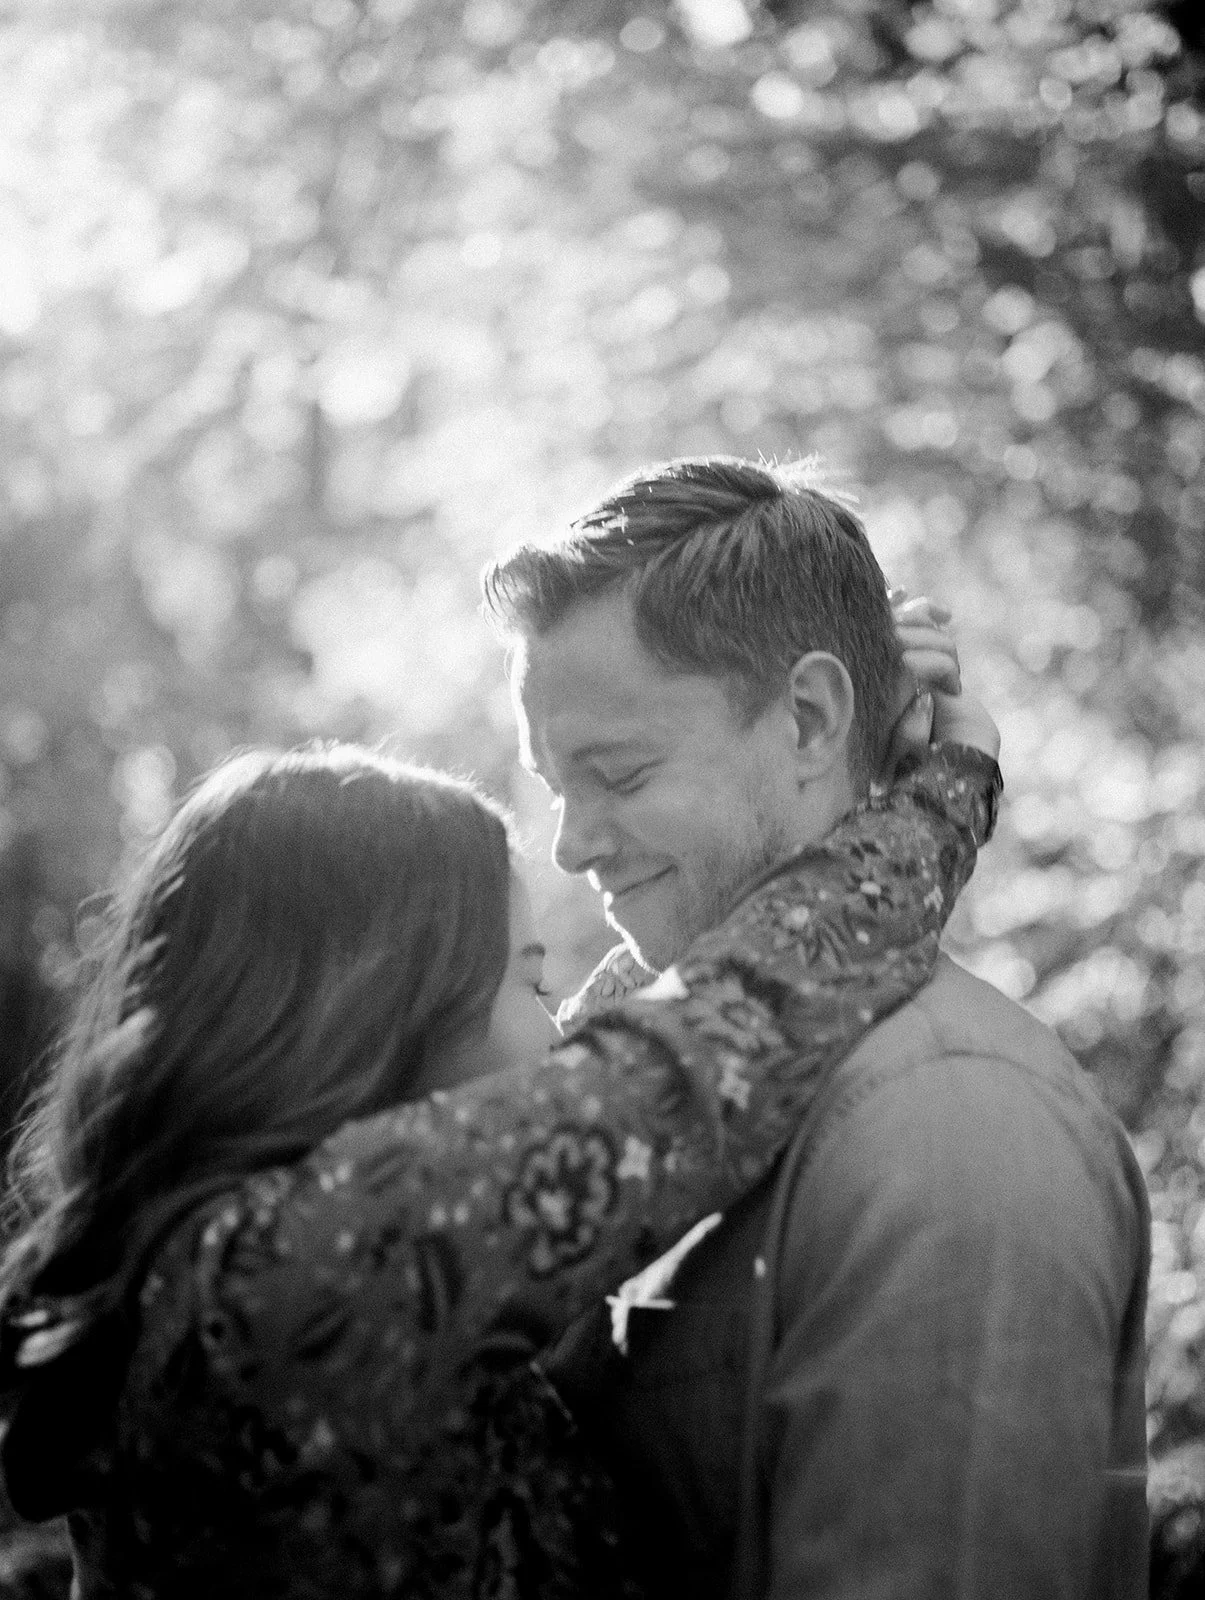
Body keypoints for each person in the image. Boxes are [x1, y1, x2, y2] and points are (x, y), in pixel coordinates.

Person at [0, 723, 999, 1599]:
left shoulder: (208, 1256)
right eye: (528, 981)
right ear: (383, 1011)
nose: (552, 1029)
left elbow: (588, 1090)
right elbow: (696, 1061)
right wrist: (949, 781)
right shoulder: (321, 1264)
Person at [482, 454, 1151, 1600]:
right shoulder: (641, 1060)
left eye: (619, 772)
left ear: (806, 716)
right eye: (556, 787)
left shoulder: (947, 1130)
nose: (571, 843)